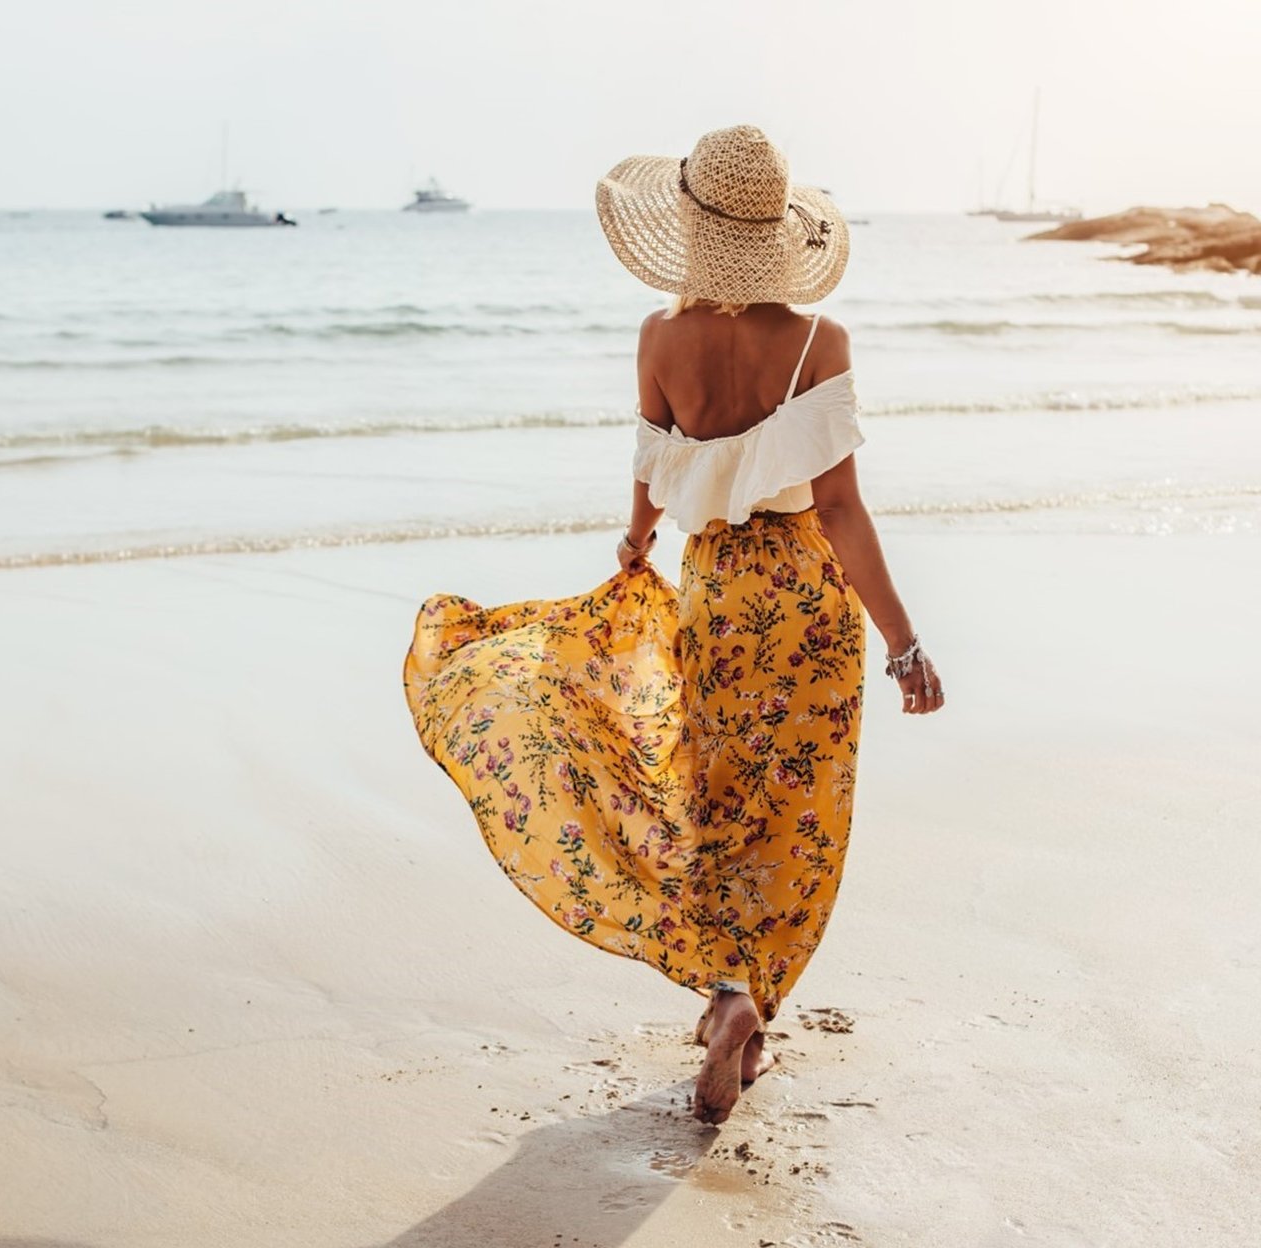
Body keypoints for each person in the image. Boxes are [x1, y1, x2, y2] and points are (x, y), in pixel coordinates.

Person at [403, 125, 942, 1125]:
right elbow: (839, 510)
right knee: (795, 808)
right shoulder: (821, 344)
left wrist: (636, 545)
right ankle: (746, 999)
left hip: (714, 591)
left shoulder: (659, 340)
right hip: (808, 602)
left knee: (714, 792)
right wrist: (903, 640)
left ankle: (724, 992)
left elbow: (652, 469)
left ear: (691, 234)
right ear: (780, 238)